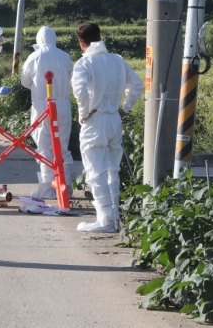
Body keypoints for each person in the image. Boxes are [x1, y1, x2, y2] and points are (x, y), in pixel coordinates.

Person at [72, 23, 143, 232]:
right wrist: (125, 109)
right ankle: (114, 219)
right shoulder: (117, 60)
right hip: (114, 118)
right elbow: (137, 85)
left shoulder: (84, 63)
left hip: (95, 120)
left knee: (96, 171)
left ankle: (105, 220)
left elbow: (81, 91)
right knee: (113, 170)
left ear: (81, 43)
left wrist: (84, 113)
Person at [21, 26, 74, 200]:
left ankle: (46, 190)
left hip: (42, 106)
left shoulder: (34, 57)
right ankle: (66, 189)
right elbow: (70, 76)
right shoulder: (65, 56)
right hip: (63, 105)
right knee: (62, 146)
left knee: (44, 147)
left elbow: (25, 81)